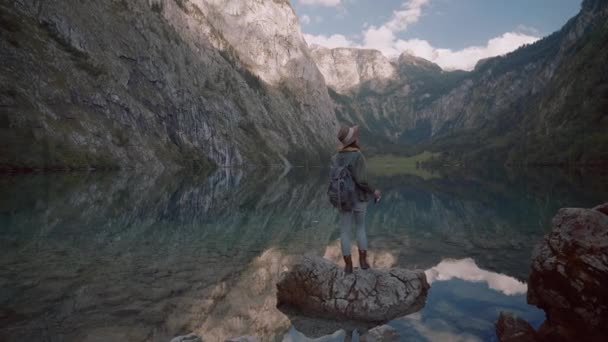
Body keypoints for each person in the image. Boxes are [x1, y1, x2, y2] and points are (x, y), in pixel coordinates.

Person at [333, 125, 381, 274]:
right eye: (355, 136)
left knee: (344, 232)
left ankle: (348, 265)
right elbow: (362, 181)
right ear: (353, 140)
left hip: (342, 199)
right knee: (360, 228)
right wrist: (375, 192)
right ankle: (362, 262)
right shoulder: (358, 156)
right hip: (359, 198)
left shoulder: (335, 157)